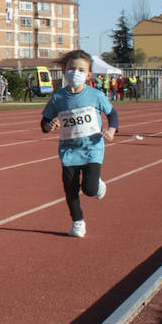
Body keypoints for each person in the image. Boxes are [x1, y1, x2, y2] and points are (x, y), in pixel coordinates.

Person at [41, 50, 117, 238]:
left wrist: (111, 130)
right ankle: (77, 221)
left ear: (88, 75)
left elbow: (112, 114)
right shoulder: (58, 98)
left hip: (92, 148)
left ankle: (97, 183)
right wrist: (49, 125)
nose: (75, 73)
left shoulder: (96, 95)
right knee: (70, 187)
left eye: (81, 70)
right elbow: (44, 122)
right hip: (69, 150)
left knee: (90, 190)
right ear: (64, 70)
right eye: (71, 68)